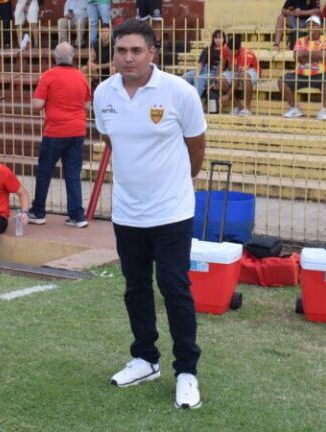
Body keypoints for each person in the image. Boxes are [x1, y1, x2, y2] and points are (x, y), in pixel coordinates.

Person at [93, 19, 206, 410]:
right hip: (127, 213)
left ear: (152, 53)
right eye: (121, 50)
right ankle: (145, 359)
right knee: (135, 287)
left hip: (172, 211)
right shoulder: (103, 93)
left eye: (136, 50)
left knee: (174, 288)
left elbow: (196, 146)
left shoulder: (179, 92)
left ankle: (187, 372)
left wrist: (180, 181)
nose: (128, 57)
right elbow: (111, 139)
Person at [26, 43, 90, 228]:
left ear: (55, 57)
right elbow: (87, 106)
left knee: (44, 171)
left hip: (55, 131)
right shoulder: (81, 76)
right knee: (72, 173)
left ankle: (38, 211)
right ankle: (77, 215)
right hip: (77, 130)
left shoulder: (48, 76)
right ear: (73, 57)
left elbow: (37, 104)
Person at [278, 15, 326, 121]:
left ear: (319, 27)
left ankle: (323, 110)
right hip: (301, 75)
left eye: (313, 25)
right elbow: (296, 57)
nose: (310, 27)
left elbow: (323, 56)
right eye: (308, 25)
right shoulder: (300, 40)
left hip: (320, 75)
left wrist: (304, 53)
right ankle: (294, 108)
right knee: (282, 81)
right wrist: (315, 56)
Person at [181, 29, 230, 99]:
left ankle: (195, 100)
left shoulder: (227, 50)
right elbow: (200, 63)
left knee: (200, 79)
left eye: (220, 37)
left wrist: (198, 77)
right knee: (186, 76)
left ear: (224, 39)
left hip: (216, 73)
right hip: (205, 70)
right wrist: (197, 74)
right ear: (213, 39)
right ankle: (184, 98)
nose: (218, 40)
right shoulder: (208, 49)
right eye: (216, 38)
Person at [220, 34, 260, 116]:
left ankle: (247, 108)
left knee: (244, 76)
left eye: (234, 51)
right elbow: (221, 64)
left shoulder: (245, 54)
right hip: (235, 70)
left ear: (239, 49)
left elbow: (238, 77)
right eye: (230, 50)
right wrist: (215, 79)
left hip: (250, 71)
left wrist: (227, 95)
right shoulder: (225, 48)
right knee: (220, 79)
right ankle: (238, 105)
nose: (231, 53)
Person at [83, 21, 114, 87]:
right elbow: (91, 59)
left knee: (113, 68)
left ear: (109, 32)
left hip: (111, 70)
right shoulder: (96, 43)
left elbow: (115, 62)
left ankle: (111, 87)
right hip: (98, 71)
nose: (103, 34)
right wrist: (90, 64)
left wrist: (99, 66)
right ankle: (89, 89)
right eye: (101, 31)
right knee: (84, 68)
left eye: (106, 31)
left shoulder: (114, 43)